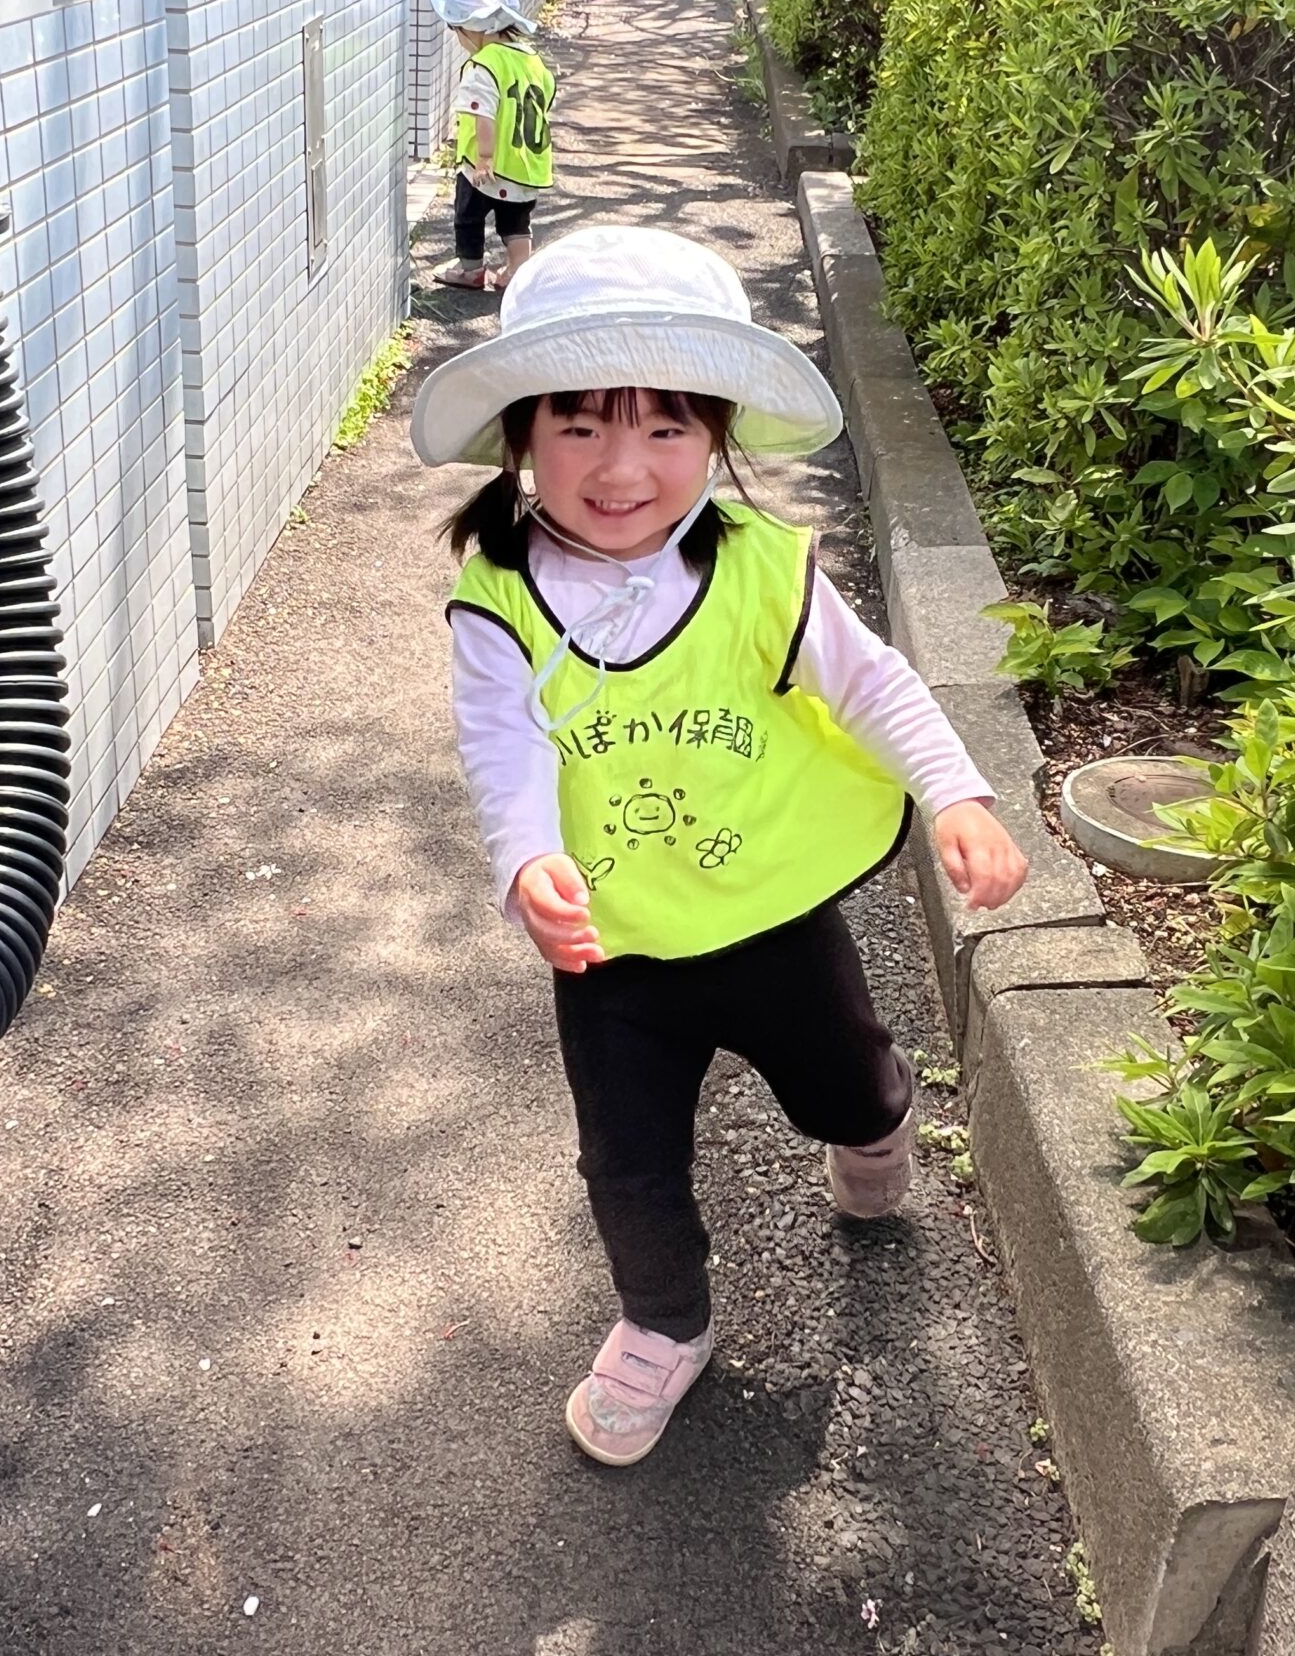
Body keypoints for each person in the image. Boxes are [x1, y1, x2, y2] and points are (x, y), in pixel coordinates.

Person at [412, 226, 1031, 1467]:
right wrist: (525, 861)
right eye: (579, 427)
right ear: (523, 438)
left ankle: (876, 1127)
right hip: (615, 947)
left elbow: (875, 685)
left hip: (770, 917)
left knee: (847, 1085)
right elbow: (502, 746)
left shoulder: (759, 570)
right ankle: (662, 1323)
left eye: (664, 428)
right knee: (625, 1162)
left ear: (715, 438)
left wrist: (956, 793)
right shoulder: (501, 597)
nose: (621, 466)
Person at [433, 0, 556, 293]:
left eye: (457, 30)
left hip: (484, 166)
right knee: (516, 222)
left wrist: (485, 157)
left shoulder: (484, 64)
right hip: (526, 164)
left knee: (468, 216)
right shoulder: (532, 60)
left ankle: (471, 269)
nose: (459, 39)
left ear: (475, 28)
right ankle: (517, 269)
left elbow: (482, 113)